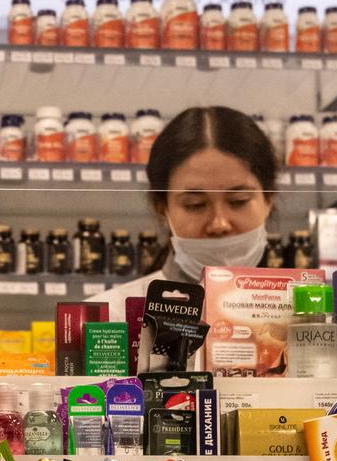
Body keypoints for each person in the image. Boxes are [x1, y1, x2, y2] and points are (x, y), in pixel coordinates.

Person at [97, 105, 279, 319]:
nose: (219, 224)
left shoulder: (308, 317)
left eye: (238, 201)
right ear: (162, 208)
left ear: (268, 199)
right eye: (195, 205)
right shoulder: (111, 318)